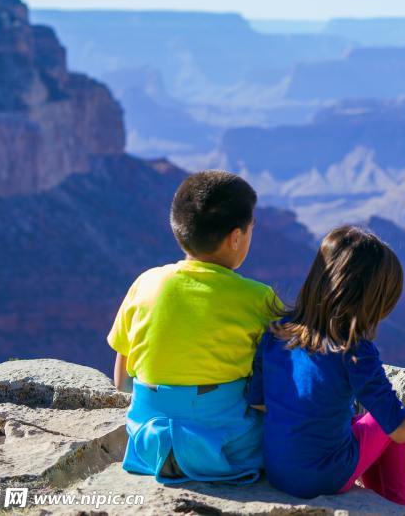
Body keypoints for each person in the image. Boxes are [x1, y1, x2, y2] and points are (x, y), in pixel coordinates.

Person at [249, 225, 405, 507]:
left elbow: (259, 403)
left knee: (363, 421)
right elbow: (400, 428)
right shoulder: (354, 350)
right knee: (386, 421)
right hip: (323, 477)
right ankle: (395, 507)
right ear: (370, 298)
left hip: (278, 471)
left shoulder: (277, 331)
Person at [107, 170, 280, 484]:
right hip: (228, 450)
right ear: (236, 237)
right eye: (251, 228)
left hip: (149, 446)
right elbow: (281, 380)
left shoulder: (146, 283)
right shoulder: (259, 298)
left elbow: (121, 378)